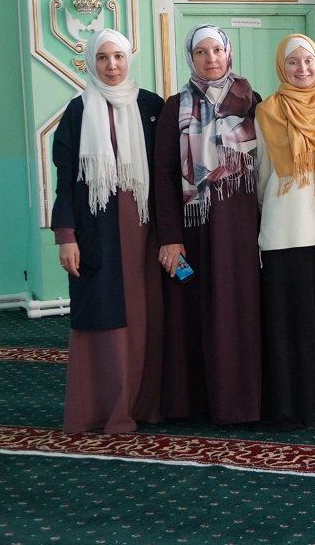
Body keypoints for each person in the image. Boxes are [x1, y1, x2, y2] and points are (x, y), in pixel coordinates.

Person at [51, 29, 164, 434]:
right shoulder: (79, 110)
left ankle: (146, 405)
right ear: (91, 62)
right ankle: (104, 411)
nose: (111, 65)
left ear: (129, 58)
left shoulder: (151, 105)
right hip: (97, 230)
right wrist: (66, 236)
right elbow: (66, 181)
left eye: (118, 56)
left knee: (146, 316)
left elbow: (168, 173)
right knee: (103, 315)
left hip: (146, 230)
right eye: (102, 58)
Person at [154, 23, 262, 425]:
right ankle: (197, 401)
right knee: (194, 308)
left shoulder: (251, 101)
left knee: (241, 309)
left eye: (216, 50)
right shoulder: (175, 107)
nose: (210, 58)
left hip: (242, 227)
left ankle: (242, 402)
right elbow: (164, 176)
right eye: (201, 52)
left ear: (228, 53)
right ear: (191, 58)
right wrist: (170, 238)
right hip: (194, 228)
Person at [254, 34, 315, 430]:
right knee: (286, 322)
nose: (302, 69)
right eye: (293, 62)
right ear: (281, 66)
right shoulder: (265, 112)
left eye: (308, 61)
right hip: (282, 232)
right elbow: (259, 178)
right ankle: (290, 404)